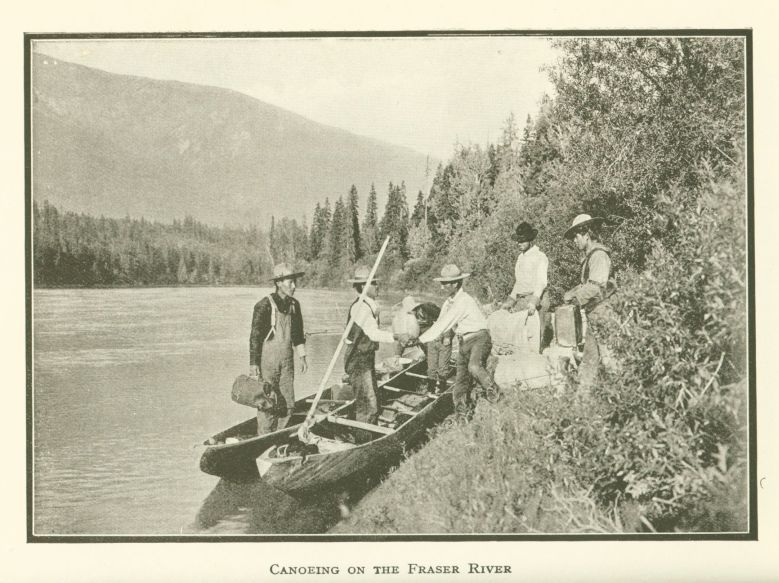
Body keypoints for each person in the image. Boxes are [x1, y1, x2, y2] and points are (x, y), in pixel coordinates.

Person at [414, 264, 501, 423]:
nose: (442, 286)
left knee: (474, 367)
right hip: (463, 342)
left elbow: (445, 324)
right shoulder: (448, 302)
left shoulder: (464, 301)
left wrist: (419, 339)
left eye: (445, 283)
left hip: (479, 338)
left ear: (455, 283)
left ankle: (494, 391)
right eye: (442, 282)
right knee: (459, 384)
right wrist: (419, 335)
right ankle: (462, 416)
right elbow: (439, 322)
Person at [249, 263, 308, 433]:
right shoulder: (263, 305)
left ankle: (281, 435)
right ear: (279, 283)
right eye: (290, 283)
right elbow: (255, 337)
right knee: (267, 402)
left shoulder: (295, 305)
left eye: (295, 282)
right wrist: (253, 364)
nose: (294, 286)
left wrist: (302, 356)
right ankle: (264, 437)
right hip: (267, 363)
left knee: (288, 402)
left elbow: (297, 334)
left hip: (287, 361)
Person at [562, 214, 614, 391]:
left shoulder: (599, 255)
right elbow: (587, 284)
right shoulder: (590, 257)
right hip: (595, 314)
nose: (574, 241)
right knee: (589, 360)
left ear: (586, 234)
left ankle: (623, 398)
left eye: (576, 236)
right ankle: (583, 404)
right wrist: (571, 293)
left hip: (604, 312)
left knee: (610, 358)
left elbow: (596, 286)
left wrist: (575, 299)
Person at [344, 266, 398, 424]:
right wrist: (396, 336)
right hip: (358, 361)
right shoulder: (360, 308)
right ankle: (364, 438)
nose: (377, 286)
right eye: (374, 284)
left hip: (365, 358)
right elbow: (373, 334)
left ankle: (369, 433)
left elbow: (373, 330)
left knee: (372, 400)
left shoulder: (368, 306)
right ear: (364, 287)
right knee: (368, 404)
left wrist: (392, 332)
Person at [501, 221, 550, 351]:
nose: (519, 243)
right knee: (520, 339)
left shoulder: (540, 257)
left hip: (536, 300)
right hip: (522, 300)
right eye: (518, 240)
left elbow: (541, 281)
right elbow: (519, 282)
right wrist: (510, 301)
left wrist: (534, 302)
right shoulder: (520, 258)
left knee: (536, 339)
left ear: (530, 240)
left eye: (523, 240)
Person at [395, 296, 453, 394]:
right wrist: (397, 355)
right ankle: (431, 389)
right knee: (431, 368)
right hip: (427, 343)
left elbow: (446, 319)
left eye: (411, 311)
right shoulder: (408, 321)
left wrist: (447, 336)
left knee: (442, 368)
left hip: (439, 339)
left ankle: (441, 388)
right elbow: (403, 339)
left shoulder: (427, 308)